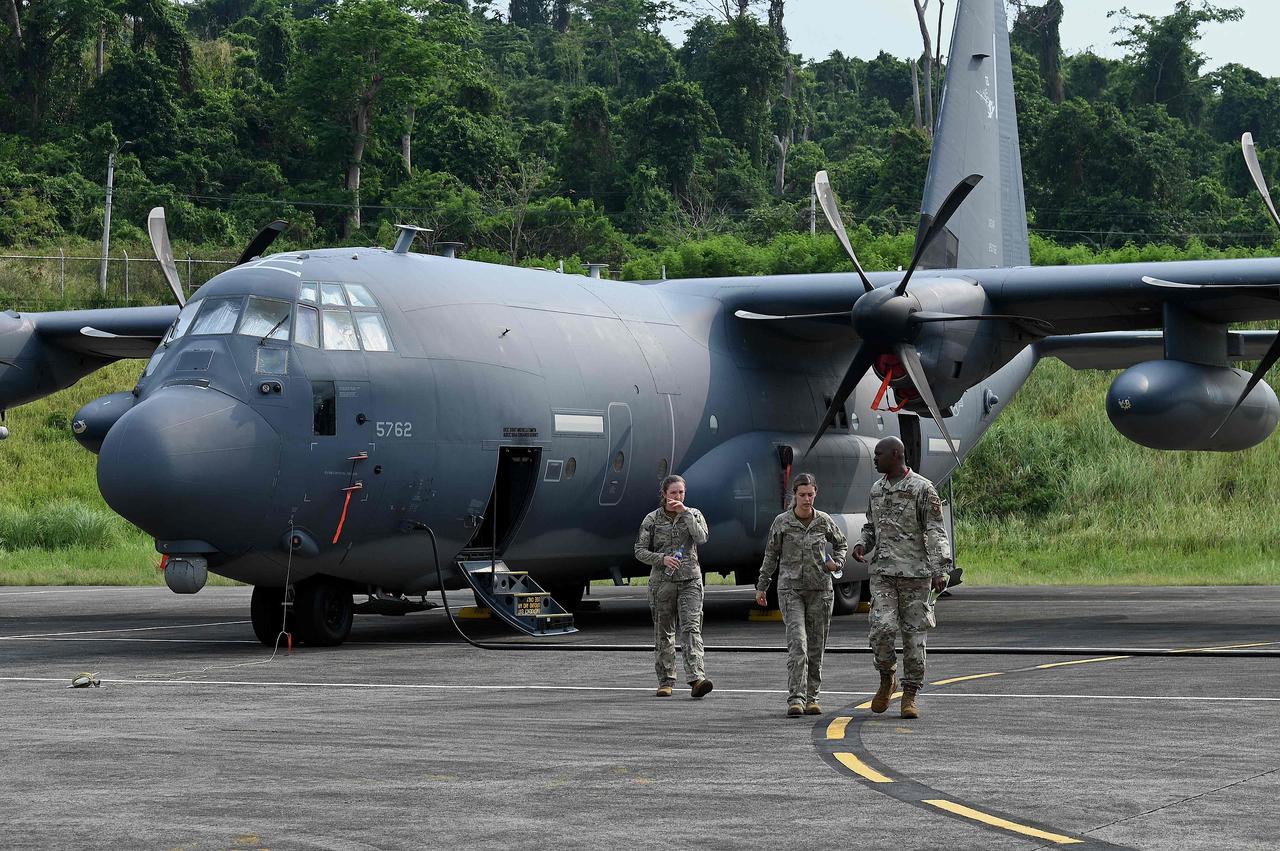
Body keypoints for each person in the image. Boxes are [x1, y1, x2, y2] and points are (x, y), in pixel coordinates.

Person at [851, 436, 952, 720]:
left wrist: (939, 569)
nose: (875, 458)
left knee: (914, 638)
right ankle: (887, 677)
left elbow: (935, 530)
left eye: (879, 454)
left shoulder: (922, 489)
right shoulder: (876, 490)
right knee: (881, 629)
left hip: (915, 575)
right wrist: (863, 544)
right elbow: (872, 525)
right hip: (883, 573)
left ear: (896, 454)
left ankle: (910, 694)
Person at [755, 473, 848, 717]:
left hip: (820, 590)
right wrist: (762, 585)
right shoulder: (782, 522)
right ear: (794, 495)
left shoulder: (823, 521)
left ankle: (812, 697)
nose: (807, 499)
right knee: (798, 644)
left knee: (817, 646)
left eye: (810, 494)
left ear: (816, 493)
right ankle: (795, 697)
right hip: (791, 590)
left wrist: (837, 563)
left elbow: (841, 543)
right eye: (802, 495)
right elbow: (771, 555)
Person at [634, 475, 713, 699]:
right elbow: (639, 550)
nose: (677, 497)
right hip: (662, 583)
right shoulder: (652, 519)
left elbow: (702, 537)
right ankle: (666, 680)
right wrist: (662, 559)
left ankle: (697, 678)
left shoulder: (694, 514)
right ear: (664, 495)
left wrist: (685, 513)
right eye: (673, 493)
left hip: (690, 581)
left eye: (681, 493)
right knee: (664, 632)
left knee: (691, 629)